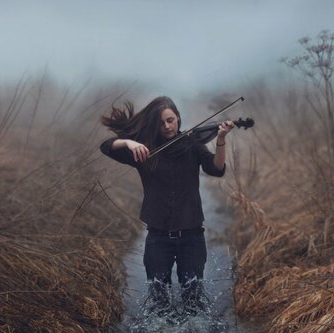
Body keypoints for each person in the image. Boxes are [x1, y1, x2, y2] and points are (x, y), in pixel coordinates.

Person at [99, 96, 233, 315]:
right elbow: (106, 147)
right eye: (161, 123)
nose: (167, 126)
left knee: (194, 303)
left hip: (192, 237)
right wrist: (129, 142)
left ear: (178, 118)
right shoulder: (143, 151)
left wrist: (220, 139)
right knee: (159, 303)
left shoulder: (192, 145)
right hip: (157, 237)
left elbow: (216, 168)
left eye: (170, 120)